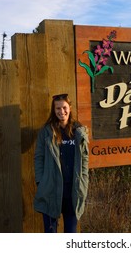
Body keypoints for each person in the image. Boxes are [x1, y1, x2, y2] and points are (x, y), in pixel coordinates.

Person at [33, 93, 89, 233]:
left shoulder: (79, 131)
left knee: (71, 233)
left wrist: (84, 181)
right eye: (57, 108)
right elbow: (39, 158)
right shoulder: (47, 132)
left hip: (73, 191)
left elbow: (85, 160)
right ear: (54, 110)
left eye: (64, 107)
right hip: (51, 189)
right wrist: (41, 181)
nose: (61, 111)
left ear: (69, 108)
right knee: (50, 232)